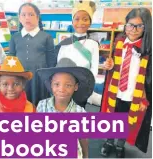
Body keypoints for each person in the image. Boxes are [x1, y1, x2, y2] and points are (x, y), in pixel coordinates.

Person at [101, 8, 152, 158]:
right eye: (130, 25)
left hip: (132, 93)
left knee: (125, 120)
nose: (133, 30)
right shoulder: (118, 43)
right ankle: (109, 142)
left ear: (146, 27)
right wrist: (109, 66)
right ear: (125, 25)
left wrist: (144, 97)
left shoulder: (148, 49)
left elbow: (149, 78)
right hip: (116, 90)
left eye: (139, 26)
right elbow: (114, 66)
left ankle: (119, 145)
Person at [36, 58, 95, 159]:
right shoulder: (42, 106)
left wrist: (86, 156)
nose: (61, 89)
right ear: (51, 85)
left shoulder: (80, 113)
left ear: (75, 87)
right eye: (57, 84)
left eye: (68, 85)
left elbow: (83, 139)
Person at [9, 2, 56, 106]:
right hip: (20, 77)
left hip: (39, 78)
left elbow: (51, 60)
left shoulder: (46, 37)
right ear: (19, 18)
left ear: (37, 17)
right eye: (23, 15)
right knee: (21, 103)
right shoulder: (15, 37)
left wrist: (50, 78)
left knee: (39, 103)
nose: (27, 18)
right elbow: (11, 57)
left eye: (31, 14)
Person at [55, 1, 99, 108]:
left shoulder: (93, 44)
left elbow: (94, 67)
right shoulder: (65, 42)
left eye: (85, 19)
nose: (81, 22)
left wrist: (89, 85)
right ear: (72, 21)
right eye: (77, 19)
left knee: (78, 110)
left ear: (90, 22)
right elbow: (59, 64)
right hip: (65, 85)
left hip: (83, 85)